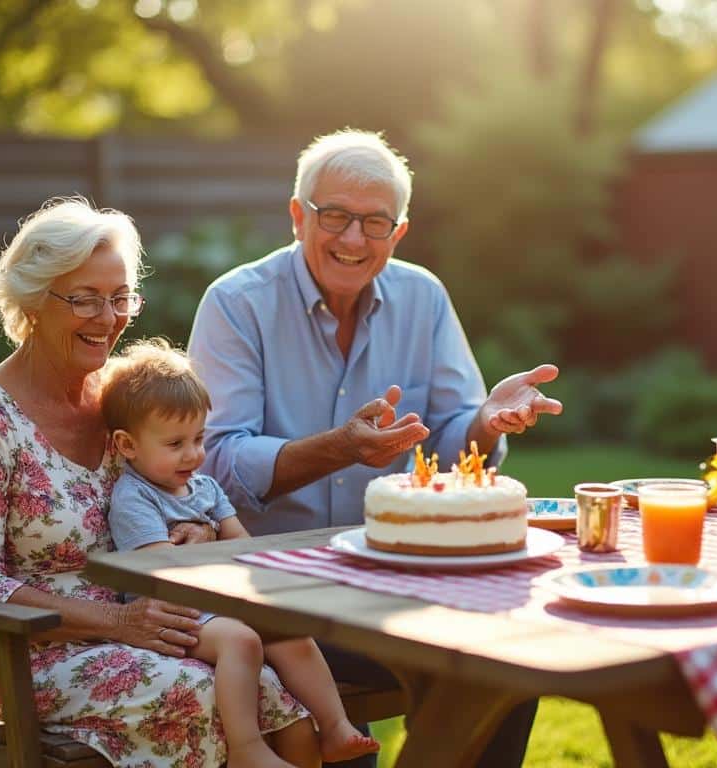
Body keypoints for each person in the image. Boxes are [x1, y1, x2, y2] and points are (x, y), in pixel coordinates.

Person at [188, 129, 563, 766]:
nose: (353, 239)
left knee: (507, 657)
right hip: (269, 593)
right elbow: (215, 462)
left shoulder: (425, 297)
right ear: (298, 214)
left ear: (399, 232)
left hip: (393, 580)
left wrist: (484, 426)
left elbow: (447, 444)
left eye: (374, 222)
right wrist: (338, 448)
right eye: (334, 216)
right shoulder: (236, 304)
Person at [0, 197, 313, 768]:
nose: (108, 318)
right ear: (34, 301)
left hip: (150, 622)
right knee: (201, 693)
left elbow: (183, 493)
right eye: (84, 298)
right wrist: (117, 621)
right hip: (34, 655)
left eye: (119, 298)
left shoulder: (121, 399)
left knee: (272, 684)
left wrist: (199, 538)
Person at [101, 337, 380, 767]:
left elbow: (245, 547)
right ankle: (247, 747)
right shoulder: (135, 498)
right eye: (175, 444)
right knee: (242, 640)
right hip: (171, 618)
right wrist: (217, 547)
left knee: (290, 630)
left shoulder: (205, 488)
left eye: (199, 438)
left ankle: (337, 726)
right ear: (127, 445)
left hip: (216, 604)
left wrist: (216, 538)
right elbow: (164, 573)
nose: (193, 454)